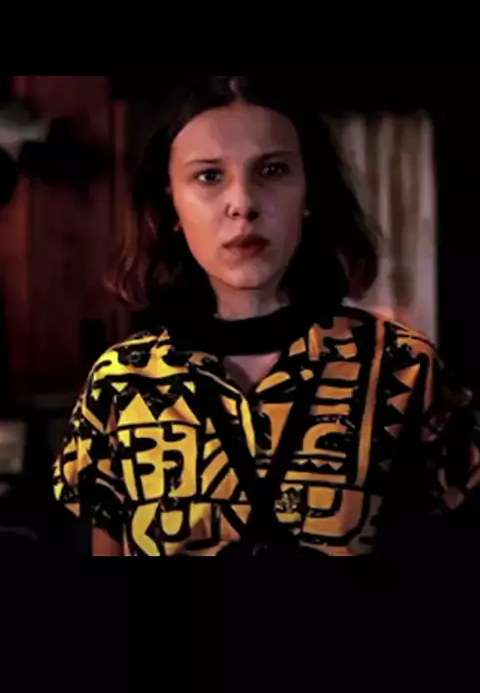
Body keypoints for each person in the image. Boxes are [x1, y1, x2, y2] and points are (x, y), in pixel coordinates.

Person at [53, 74, 480, 557]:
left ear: (310, 194)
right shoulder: (122, 380)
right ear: (170, 203)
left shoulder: (404, 368)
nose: (243, 204)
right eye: (209, 177)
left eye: (273, 171)